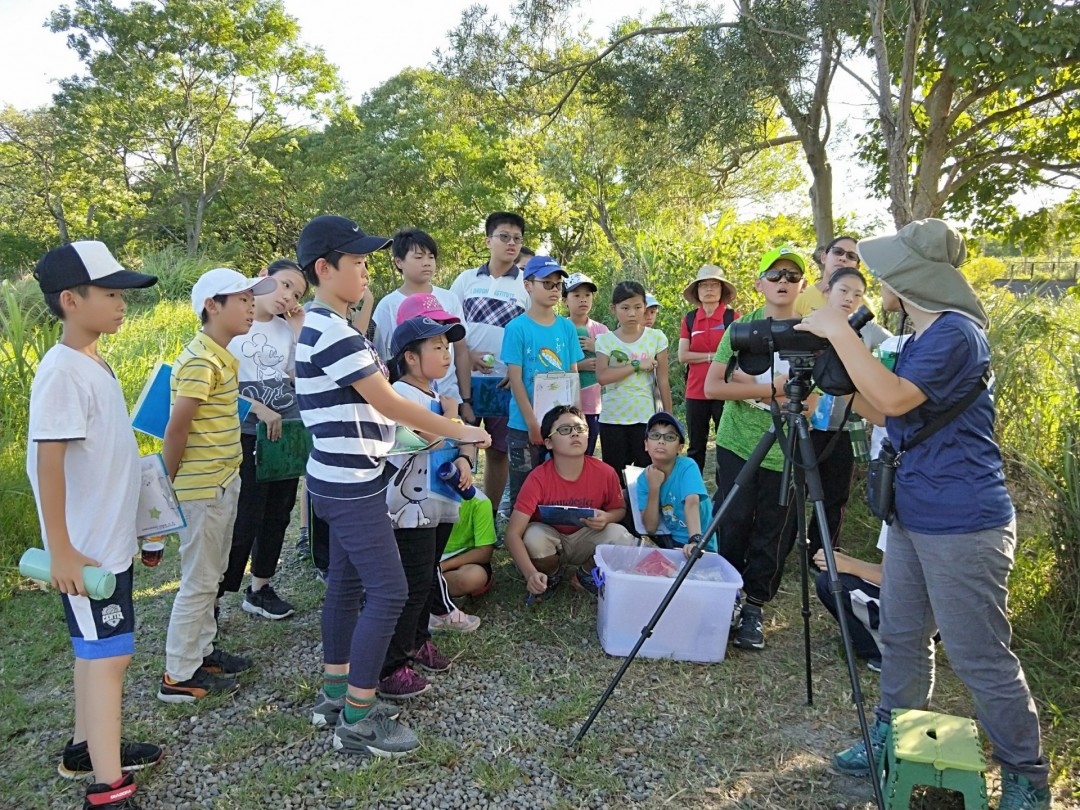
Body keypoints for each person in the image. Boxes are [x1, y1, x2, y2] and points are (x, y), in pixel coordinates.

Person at [796, 219, 1051, 809]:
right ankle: (893, 733)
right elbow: (889, 413)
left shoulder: (956, 335)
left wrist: (839, 332)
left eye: (884, 273)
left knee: (978, 653)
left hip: (964, 521)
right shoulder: (919, 337)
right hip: (912, 512)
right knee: (904, 635)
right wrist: (827, 385)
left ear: (910, 279)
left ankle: (1026, 776)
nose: (874, 282)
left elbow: (891, 399)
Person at [294, 214, 490, 758]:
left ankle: (336, 694)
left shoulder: (324, 327)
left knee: (347, 585)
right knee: (389, 591)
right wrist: (461, 429)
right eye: (355, 262)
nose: (364, 271)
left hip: (332, 478)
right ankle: (358, 717)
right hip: (354, 484)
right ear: (324, 268)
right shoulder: (335, 334)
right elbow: (388, 402)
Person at [26, 242, 163, 809]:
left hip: (108, 544)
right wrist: (61, 550)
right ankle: (108, 787)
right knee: (110, 656)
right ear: (70, 299)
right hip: (86, 555)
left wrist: (141, 527)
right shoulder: (61, 372)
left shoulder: (92, 359)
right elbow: (47, 462)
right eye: (109, 293)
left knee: (96, 652)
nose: (120, 303)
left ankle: (87, 745)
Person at [158, 267, 277, 702]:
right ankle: (178, 674)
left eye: (252, 298)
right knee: (199, 580)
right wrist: (164, 489)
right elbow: (176, 429)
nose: (251, 307)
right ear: (212, 306)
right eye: (242, 299)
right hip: (201, 488)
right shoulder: (200, 361)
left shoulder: (220, 355)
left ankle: (201, 652)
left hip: (223, 481)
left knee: (211, 575)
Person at [702, 246, 807, 651]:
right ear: (759, 282)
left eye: (792, 276)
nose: (783, 282)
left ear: (803, 284)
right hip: (737, 443)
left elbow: (815, 400)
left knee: (774, 530)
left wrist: (749, 392)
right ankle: (724, 595)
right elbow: (713, 387)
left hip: (790, 447)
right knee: (734, 518)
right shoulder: (740, 330)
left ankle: (755, 608)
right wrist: (773, 391)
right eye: (775, 275)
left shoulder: (814, 332)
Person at [378, 315, 475, 700]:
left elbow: (464, 441)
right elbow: (424, 440)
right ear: (411, 358)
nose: (446, 353)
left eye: (447, 346)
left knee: (427, 574)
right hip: (408, 509)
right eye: (436, 346)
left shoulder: (437, 397)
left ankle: (417, 642)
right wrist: (451, 418)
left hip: (441, 502)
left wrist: (466, 461)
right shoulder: (397, 396)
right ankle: (391, 666)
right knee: (411, 584)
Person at [218, 259, 308, 621]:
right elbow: (215, 385)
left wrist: (300, 332)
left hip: (284, 436)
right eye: (284, 285)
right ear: (262, 278)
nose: (288, 297)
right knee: (244, 518)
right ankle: (214, 598)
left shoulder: (288, 330)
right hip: (245, 434)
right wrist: (257, 406)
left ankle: (260, 588)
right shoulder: (235, 322)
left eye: (297, 293)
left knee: (278, 513)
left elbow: (300, 378)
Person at [504, 405, 642, 599]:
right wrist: (530, 573)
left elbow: (619, 509)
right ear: (549, 443)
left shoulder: (605, 472)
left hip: (587, 538)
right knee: (533, 537)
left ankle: (585, 575)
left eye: (580, 428)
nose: (575, 434)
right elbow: (512, 534)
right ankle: (550, 575)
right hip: (550, 540)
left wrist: (608, 517)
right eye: (565, 430)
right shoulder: (538, 478)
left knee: (622, 537)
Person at [805, 266, 890, 558]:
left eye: (858, 295)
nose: (849, 298)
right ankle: (787, 544)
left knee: (835, 494)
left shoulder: (869, 332)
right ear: (827, 290)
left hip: (845, 425)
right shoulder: (811, 324)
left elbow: (896, 347)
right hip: (807, 423)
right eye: (843, 291)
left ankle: (823, 551)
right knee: (795, 489)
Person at [450, 211, 529, 508]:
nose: (511, 244)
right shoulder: (466, 279)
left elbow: (532, 331)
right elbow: (449, 326)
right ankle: (456, 517)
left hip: (504, 384)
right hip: (463, 381)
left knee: (498, 451)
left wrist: (517, 369)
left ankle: (490, 514)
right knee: (459, 445)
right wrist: (466, 355)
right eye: (504, 237)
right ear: (488, 240)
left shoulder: (527, 285)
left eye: (517, 239)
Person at [503, 255, 584, 506]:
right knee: (524, 485)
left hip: (559, 422)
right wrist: (531, 423)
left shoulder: (566, 328)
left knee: (558, 482)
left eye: (558, 285)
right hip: (523, 425)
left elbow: (573, 374)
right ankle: (519, 534)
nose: (554, 290)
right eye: (546, 284)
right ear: (528, 285)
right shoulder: (517, 328)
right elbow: (515, 380)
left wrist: (576, 418)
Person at [371, 228, 469, 402]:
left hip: (449, 397)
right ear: (399, 262)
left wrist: (466, 399)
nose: (427, 262)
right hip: (410, 399)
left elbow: (460, 351)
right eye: (418, 257)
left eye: (431, 257)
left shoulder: (449, 298)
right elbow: (380, 357)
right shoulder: (388, 305)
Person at [595, 280, 672, 485]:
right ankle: (619, 516)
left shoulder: (656, 338)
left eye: (637, 307)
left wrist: (669, 417)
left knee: (646, 474)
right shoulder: (605, 341)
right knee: (614, 477)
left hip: (644, 419)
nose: (632, 313)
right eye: (625, 308)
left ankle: (644, 516)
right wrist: (636, 365)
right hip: (612, 419)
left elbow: (663, 381)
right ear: (614, 309)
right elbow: (602, 377)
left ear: (645, 307)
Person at [677, 265, 739, 477]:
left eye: (714, 285)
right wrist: (716, 357)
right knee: (695, 446)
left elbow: (739, 355)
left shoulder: (733, 318)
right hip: (695, 390)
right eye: (704, 285)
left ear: (722, 290)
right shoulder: (690, 319)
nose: (709, 289)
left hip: (726, 389)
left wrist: (704, 358)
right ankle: (692, 491)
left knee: (727, 444)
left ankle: (724, 496)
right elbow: (683, 356)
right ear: (697, 291)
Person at [636, 411, 716, 554]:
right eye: (655, 435)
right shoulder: (643, 479)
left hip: (701, 542)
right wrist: (654, 487)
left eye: (670, 437)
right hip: (671, 540)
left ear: (680, 448)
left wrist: (695, 540)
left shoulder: (687, 466)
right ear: (646, 444)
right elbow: (650, 527)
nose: (661, 441)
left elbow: (692, 502)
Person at [562, 272, 608, 456]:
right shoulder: (558, 327)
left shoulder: (601, 330)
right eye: (577, 295)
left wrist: (596, 347)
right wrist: (580, 366)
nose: (583, 300)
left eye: (587, 295)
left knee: (587, 451)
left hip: (593, 404)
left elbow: (614, 363)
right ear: (565, 300)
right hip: (564, 401)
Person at [439, 492, 498, 598]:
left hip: (463, 561)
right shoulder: (419, 496)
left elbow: (484, 552)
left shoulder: (479, 502)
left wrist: (444, 565)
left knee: (474, 577)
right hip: (427, 559)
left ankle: (426, 590)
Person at [795, 235, 860, 316]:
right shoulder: (800, 297)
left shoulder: (862, 305)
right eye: (838, 252)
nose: (843, 258)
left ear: (857, 267)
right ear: (824, 258)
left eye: (851, 256)